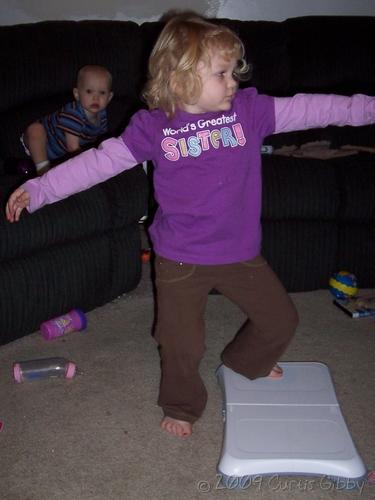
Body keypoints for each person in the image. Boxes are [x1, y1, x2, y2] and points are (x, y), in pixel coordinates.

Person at [6, 12, 375, 438]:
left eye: (234, 70)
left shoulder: (250, 110)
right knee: (181, 342)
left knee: (281, 320)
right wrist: (42, 188)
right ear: (181, 77)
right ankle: (181, 404)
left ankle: (245, 361)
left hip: (240, 252)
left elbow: (316, 106)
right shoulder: (152, 126)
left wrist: (368, 107)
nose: (233, 80)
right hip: (180, 258)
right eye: (222, 72)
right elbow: (97, 162)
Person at [20, 64, 113, 175]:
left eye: (102, 93)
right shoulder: (73, 114)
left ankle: (49, 165)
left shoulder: (102, 115)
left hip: (60, 153)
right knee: (35, 129)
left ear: (109, 97)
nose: (96, 98)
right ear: (77, 94)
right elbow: (72, 147)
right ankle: (42, 169)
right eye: (89, 91)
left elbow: (101, 139)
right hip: (42, 142)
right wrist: (90, 164)